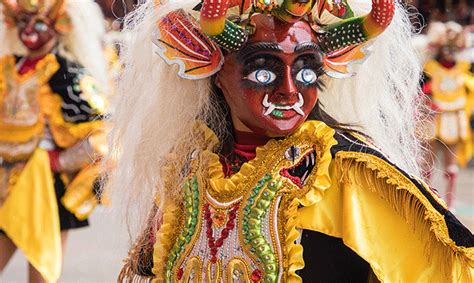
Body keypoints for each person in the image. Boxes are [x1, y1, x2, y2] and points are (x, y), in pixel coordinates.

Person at [110, 0, 474, 282]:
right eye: (264, 71)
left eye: (305, 70)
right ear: (213, 71)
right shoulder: (189, 169)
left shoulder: (348, 175)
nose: (288, 91)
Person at [0, 0, 108, 282]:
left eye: (38, 23)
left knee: (42, 270)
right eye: (23, 23)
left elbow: (100, 133)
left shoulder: (67, 74)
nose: (29, 31)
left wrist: (59, 160)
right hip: (5, 177)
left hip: (44, 184)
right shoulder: (9, 66)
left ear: (59, 26)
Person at [422, 21, 474, 209]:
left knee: (451, 167)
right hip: (434, 117)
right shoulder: (430, 67)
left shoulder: (464, 68)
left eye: (452, 48)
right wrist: (427, 98)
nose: (448, 52)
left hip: (454, 117)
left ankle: (449, 203)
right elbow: (421, 89)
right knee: (428, 161)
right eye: (445, 48)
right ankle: (426, 196)